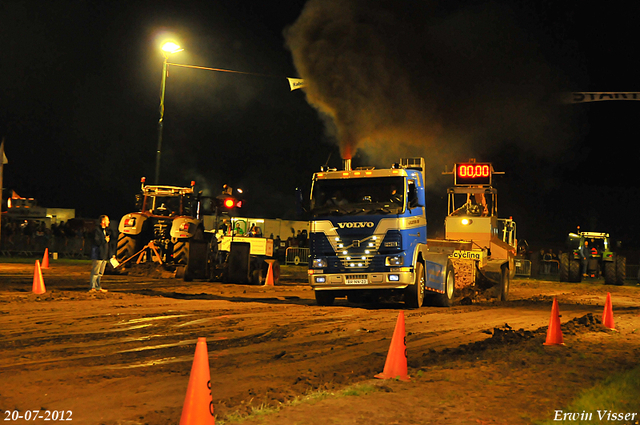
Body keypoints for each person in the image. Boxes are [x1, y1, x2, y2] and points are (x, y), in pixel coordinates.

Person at [89, 215, 116, 293]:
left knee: (100, 273)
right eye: (107, 220)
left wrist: (111, 254)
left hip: (104, 255)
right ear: (103, 221)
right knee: (95, 272)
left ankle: (98, 286)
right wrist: (104, 240)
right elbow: (96, 241)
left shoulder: (106, 231)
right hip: (97, 255)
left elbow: (109, 244)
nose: (109, 222)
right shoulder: (96, 230)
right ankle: (92, 287)